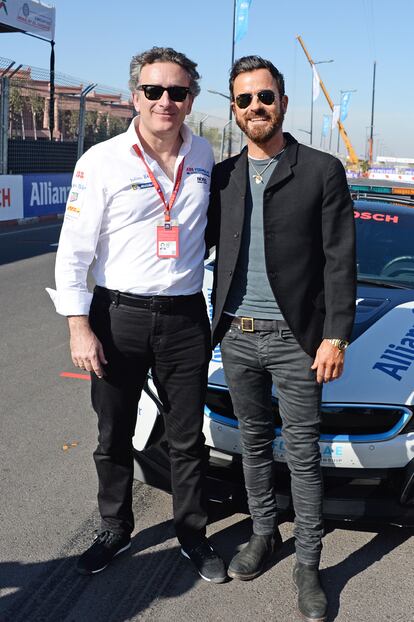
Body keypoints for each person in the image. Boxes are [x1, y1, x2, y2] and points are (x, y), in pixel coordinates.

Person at [48, 46, 226, 583]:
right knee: (113, 432)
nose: (165, 101)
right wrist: (79, 325)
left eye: (177, 91)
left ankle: (192, 534)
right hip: (116, 313)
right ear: (135, 97)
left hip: (184, 318)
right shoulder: (100, 161)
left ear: (191, 99)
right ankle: (114, 527)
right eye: (154, 91)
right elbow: (73, 252)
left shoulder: (205, 156)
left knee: (187, 435)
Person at [207, 56, 356, 620]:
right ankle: (263, 535)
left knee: (302, 454)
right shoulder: (222, 176)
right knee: (250, 443)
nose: (255, 108)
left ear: (283, 103)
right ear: (235, 110)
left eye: (264, 97)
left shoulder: (320, 169)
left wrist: (335, 337)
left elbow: (341, 258)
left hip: (298, 340)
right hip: (238, 337)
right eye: (243, 101)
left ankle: (309, 564)